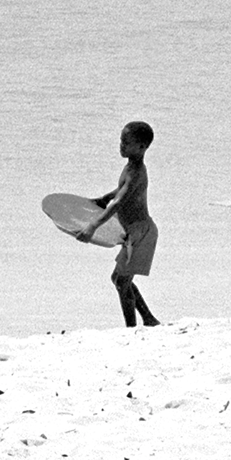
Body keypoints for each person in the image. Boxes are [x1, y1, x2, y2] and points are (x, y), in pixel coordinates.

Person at [79, 121, 161, 328]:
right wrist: (103, 198)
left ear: (142, 147)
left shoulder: (137, 173)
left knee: (122, 282)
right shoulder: (131, 167)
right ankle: (149, 319)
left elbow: (119, 202)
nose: (121, 145)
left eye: (126, 142)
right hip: (134, 232)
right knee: (119, 279)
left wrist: (92, 226)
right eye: (121, 141)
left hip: (140, 232)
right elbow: (119, 192)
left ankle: (131, 329)